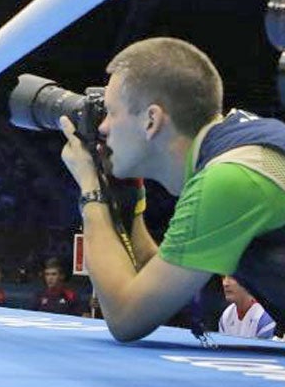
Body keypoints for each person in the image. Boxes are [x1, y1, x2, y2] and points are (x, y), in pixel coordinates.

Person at [59, 37, 285, 342]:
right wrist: (130, 204)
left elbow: (127, 318)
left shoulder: (230, 179)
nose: (102, 128)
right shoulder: (235, 148)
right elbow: (156, 285)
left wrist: (90, 190)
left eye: (111, 112)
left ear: (151, 120)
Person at [218, 275, 276, 340]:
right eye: (223, 277)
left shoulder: (266, 317)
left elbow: (264, 349)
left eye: (232, 277)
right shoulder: (226, 315)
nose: (225, 283)